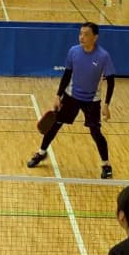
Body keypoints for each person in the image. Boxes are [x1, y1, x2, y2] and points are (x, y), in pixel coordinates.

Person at [27, 21, 115, 178]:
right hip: (71, 97)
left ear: (95, 37)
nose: (81, 37)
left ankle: (106, 165)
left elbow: (111, 81)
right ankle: (41, 152)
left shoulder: (103, 56)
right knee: (54, 125)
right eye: (80, 33)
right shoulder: (73, 51)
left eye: (86, 34)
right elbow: (67, 74)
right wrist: (58, 95)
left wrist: (106, 104)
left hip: (92, 100)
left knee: (96, 132)